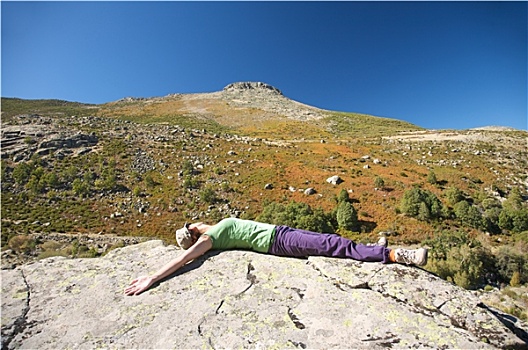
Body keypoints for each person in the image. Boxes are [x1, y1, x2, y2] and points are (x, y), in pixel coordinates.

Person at [125, 217, 428, 296]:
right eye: (191, 226)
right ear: (193, 234)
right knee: (335, 245)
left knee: (330, 241)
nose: (196, 223)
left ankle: (379, 250)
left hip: (280, 232)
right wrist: (152, 277)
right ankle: (394, 255)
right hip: (278, 241)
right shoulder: (209, 238)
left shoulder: (215, 228)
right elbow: (183, 260)